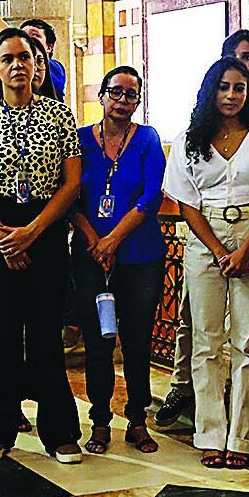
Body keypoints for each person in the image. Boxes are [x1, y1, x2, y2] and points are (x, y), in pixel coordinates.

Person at [0, 28, 84, 463]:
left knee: (46, 333)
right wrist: (2, 236)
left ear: (37, 64)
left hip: (44, 229)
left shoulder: (59, 115)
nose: (17, 65)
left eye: (25, 57)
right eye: (7, 58)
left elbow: (71, 183)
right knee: (4, 331)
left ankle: (60, 430)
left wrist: (32, 232)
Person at [158, 28, 249, 428]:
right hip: (206, 241)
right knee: (206, 341)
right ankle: (210, 432)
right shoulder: (189, 139)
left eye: (239, 87)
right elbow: (187, 203)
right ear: (210, 91)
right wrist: (220, 251)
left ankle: (241, 435)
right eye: (223, 87)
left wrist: (245, 249)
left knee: (248, 344)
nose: (232, 95)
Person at [69, 66, 167, 456]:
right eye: (117, 93)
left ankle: (138, 419)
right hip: (91, 258)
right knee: (97, 342)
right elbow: (71, 198)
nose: (123, 101)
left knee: (138, 341)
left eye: (132, 95)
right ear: (102, 95)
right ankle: (100, 420)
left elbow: (150, 197)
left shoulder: (147, 138)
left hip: (141, 256)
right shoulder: (79, 140)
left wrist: (113, 239)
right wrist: (96, 242)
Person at [0, 1, 68, 99]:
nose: (26, 41)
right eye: (24, 35)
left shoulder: (55, 69)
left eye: (34, 35)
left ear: (49, 47)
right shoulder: (3, 65)